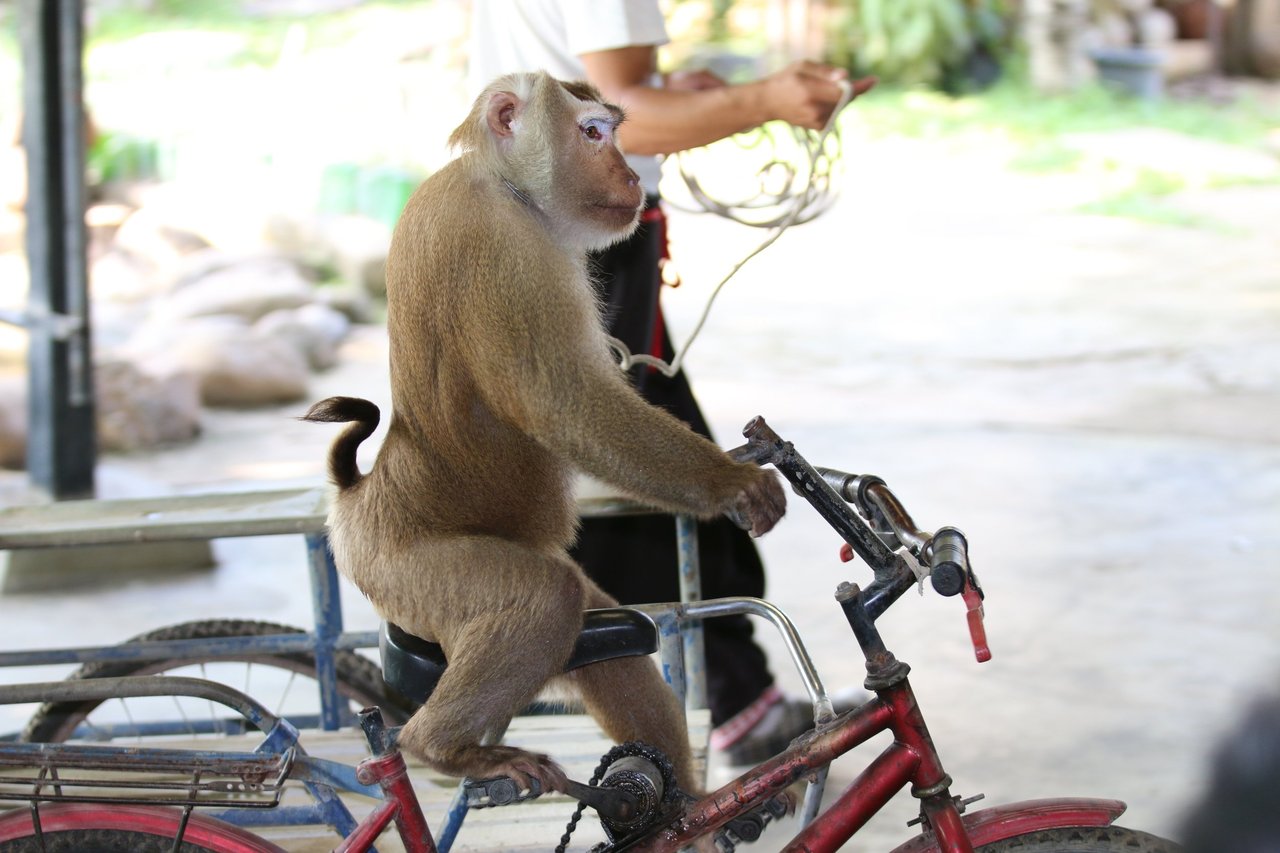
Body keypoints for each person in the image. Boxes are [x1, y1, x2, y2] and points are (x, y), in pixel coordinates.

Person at [468, 0, 874, 764]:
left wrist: (688, 95)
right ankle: (649, 712)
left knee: (683, 474)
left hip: (552, 232)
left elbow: (596, 98)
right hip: (574, 243)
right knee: (639, 486)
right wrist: (762, 101)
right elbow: (617, 121)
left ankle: (734, 693)